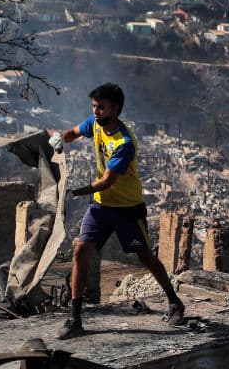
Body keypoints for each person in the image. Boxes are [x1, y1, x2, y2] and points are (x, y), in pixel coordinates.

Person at [55, 82, 185, 340]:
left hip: (126, 209)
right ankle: (75, 318)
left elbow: (107, 181)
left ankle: (174, 301)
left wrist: (73, 192)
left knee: (146, 257)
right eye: (93, 106)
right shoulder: (94, 125)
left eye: (101, 107)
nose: (96, 112)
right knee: (81, 250)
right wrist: (59, 139)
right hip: (101, 207)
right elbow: (72, 132)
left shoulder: (124, 142)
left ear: (115, 109)